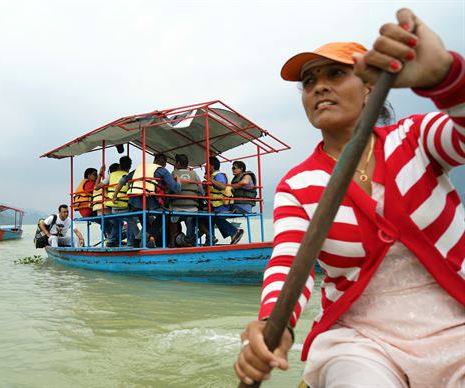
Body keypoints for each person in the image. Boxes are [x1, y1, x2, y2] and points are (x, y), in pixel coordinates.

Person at [235, 9, 464, 388]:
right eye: (309, 82)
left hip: (456, 322)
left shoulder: (416, 138)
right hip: (362, 340)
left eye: (336, 74)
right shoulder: (297, 183)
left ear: (370, 87)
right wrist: (274, 325)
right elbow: (289, 262)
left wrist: (446, 76)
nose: (319, 87)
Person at [113, 153, 182, 248]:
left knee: (143, 215)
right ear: (165, 164)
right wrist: (178, 180)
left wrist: (114, 196)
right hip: (149, 202)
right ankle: (151, 235)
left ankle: (146, 237)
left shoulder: (140, 169)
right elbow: (176, 188)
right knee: (165, 214)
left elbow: (122, 181)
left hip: (133, 203)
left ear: (154, 160)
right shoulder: (162, 171)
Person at [203, 156, 244, 245]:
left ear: (212, 166)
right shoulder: (213, 176)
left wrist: (209, 180)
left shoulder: (219, 175)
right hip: (214, 204)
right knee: (205, 218)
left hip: (221, 204)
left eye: (207, 165)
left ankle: (234, 232)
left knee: (215, 217)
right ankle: (209, 239)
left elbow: (222, 186)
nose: (205, 167)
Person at [169, 153, 204, 247]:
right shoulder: (194, 174)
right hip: (193, 207)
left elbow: (169, 189)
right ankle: (191, 241)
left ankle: (172, 241)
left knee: (172, 219)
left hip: (177, 206)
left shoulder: (174, 173)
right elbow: (201, 190)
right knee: (191, 218)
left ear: (178, 163)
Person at [103, 156, 134, 247]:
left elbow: (98, 186)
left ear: (120, 165)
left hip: (113, 205)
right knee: (132, 220)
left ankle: (111, 240)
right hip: (125, 205)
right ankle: (131, 242)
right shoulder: (130, 176)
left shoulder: (111, 175)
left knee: (117, 223)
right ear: (130, 166)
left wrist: (101, 173)